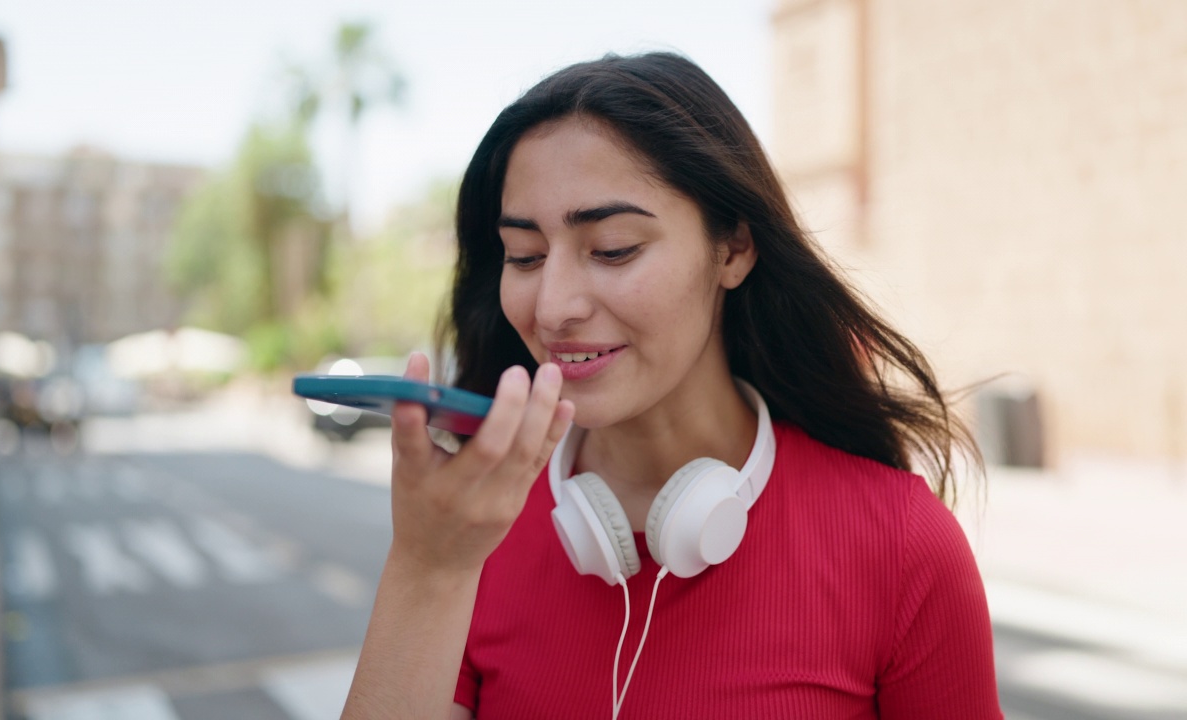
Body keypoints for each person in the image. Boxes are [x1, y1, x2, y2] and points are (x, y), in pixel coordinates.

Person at [342, 52, 1001, 719]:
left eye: (614, 248)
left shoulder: (902, 548)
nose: (552, 307)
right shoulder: (472, 533)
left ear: (734, 248)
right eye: (526, 257)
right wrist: (428, 571)